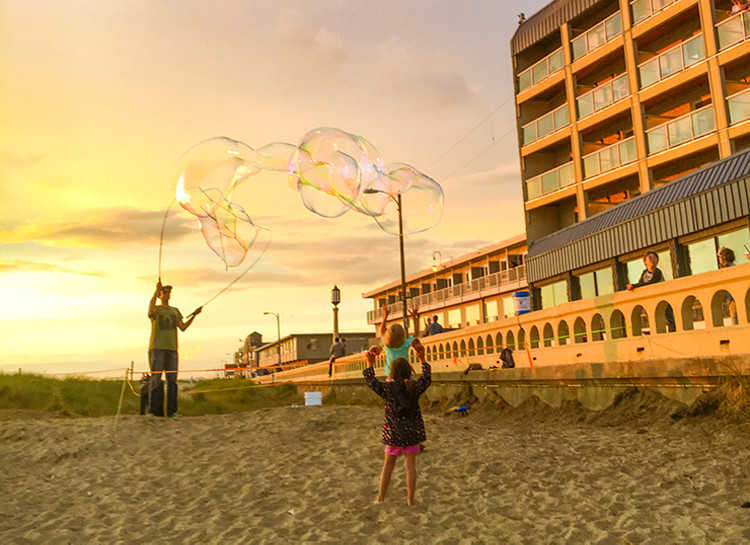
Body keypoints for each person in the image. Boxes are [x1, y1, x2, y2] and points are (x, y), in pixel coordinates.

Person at [363, 339, 431, 506]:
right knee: (410, 467)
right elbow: (427, 378)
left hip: (393, 433)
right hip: (412, 433)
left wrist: (369, 363)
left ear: (391, 373)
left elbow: (371, 381)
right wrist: (422, 359)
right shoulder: (414, 387)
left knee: (388, 467)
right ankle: (410, 500)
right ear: (409, 372)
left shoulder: (388, 389)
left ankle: (380, 498)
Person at [147, 281, 200, 417]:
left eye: (169, 292)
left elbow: (182, 327)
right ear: (160, 295)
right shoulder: (156, 309)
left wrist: (194, 315)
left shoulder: (175, 311)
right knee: (156, 380)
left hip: (172, 349)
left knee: (172, 381)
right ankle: (154, 411)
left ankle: (172, 412)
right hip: (157, 348)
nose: (167, 294)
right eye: (164, 292)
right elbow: (150, 310)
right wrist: (155, 291)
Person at [626, 252, 675, 331]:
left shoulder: (658, 272)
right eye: (650, 258)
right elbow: (641, 283)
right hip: (651, 300)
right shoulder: (644, 273)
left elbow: (652, 283)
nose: (653, 260)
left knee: (669, 318)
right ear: (645, 262)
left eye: (655, 258)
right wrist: (634, 286)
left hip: (663, 298)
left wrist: (634, 286)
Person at [378, 305, 420, 377]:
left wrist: (385, 315)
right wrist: (415, 318)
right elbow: (416, 333)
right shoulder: (406, 344)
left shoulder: (387, 346)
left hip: (391, 375)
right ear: (403, 336)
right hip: (405, 374)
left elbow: (381, 331)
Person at [718, 247, 738, 325]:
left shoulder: (731, 269)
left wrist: (729, 299)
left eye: (720, 257)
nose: (719, 259)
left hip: (733, 299)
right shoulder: (730, 268)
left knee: (735, 320)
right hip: (731, 299)